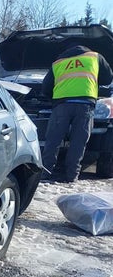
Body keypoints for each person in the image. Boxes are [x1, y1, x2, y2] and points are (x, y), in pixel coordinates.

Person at [40, 45, 113, 183]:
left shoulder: (58, 63)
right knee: (78, 142)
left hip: (61, 105)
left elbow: (46, 88)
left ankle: (45, 172)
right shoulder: (95, 57)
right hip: (85, 104)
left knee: (53, 140)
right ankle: (71, 176)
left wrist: (55, 98)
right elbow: (108, 79)